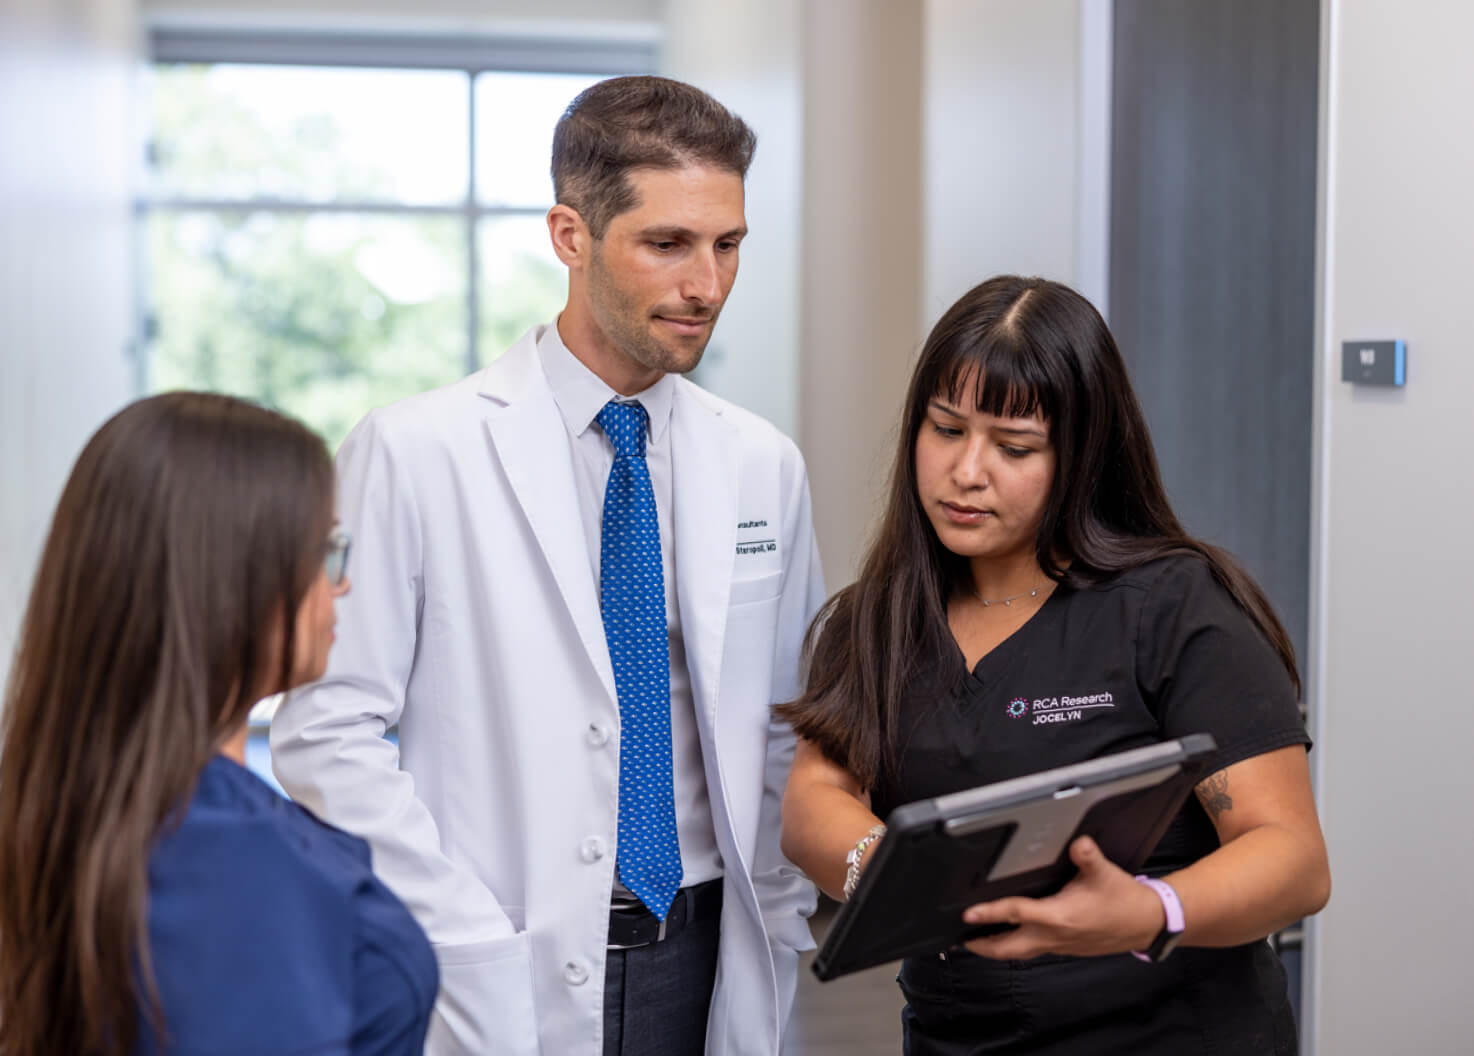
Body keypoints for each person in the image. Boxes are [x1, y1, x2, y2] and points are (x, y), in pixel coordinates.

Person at [269, 74, 824, 1056]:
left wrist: (778, 922)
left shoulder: (761, 465)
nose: (705, 284)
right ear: (570, 235)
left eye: (727, 244)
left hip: (710, 954)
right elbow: (329, 730)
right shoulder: (414, 452)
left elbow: (787, 723)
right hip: (498, 957)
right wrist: (464, 928)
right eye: (667, 244)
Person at [779, 275, 1331, 1055]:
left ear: (1083, 458)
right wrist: (891, 875)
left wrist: (1147, 911)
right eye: (945, 429)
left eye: (1014, 447)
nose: (967, 472)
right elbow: (814, 801)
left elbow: (1293, 861)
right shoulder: (874, 619)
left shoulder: (1175, 606)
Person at [0, 392, 438, 1056]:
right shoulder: (234, 866)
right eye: (327, 550)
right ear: (234, 578)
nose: (342, 585)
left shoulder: (77, 803)